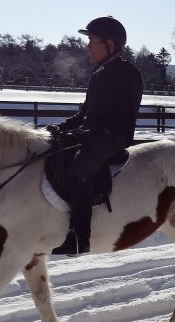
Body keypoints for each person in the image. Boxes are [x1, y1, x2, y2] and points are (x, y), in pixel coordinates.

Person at [48, 16, 143, 255]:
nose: (88, 45)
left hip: (114, 137)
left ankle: (80, 237)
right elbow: (85, 113)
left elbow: (124, 118)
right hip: (92, 134)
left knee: (80, 169)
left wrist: (91, 133)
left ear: (110, 44)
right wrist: (62, 128)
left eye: (92, 40)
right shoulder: (99, 73)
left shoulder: (127, 74)